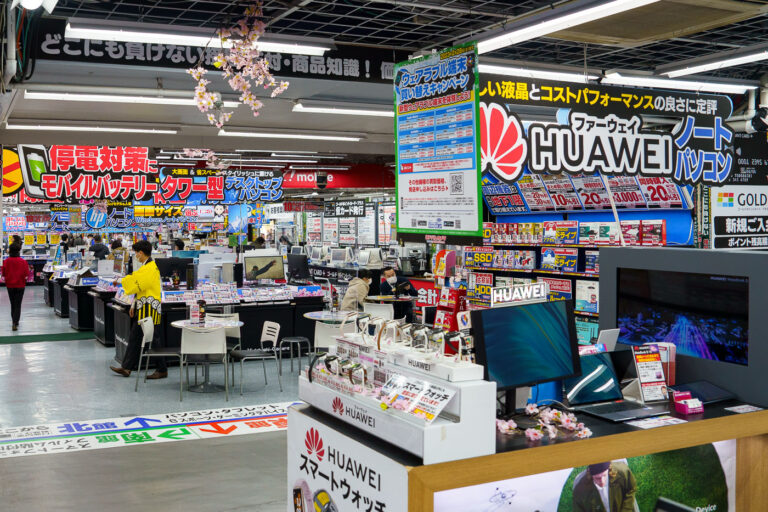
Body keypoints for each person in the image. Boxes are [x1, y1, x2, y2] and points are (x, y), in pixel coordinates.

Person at [109, 240, 167, 379]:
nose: (136, 256)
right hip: (143, 306)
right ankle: (127, 367)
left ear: (141, 253)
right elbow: (138, 284)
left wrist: (121, 281)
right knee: (136, 336)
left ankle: (162, 369)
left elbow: (138, 283)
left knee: (154, 338)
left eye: (136, 253)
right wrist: (134, 304)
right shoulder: (145, 266)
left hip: (150, 307)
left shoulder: (150, 268)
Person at [573, 461, 637, 512]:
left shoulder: (622, 471)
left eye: (604, 475)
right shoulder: (580, 489)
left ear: (609, 469)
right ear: (590, 475)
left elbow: (631, 489)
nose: (602, 481)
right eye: (597, 478)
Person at [1, 243, 31, 331]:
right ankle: (15, 322)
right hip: (20, 285)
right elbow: (26, 273)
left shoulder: (6, 261)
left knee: (12, 304)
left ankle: (14, 321)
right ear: (18, 251)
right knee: (18, 304)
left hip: (10, 285)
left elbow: (3, 273)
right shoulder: (23, 261)